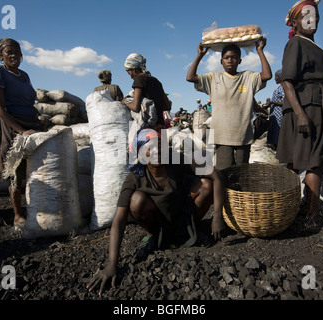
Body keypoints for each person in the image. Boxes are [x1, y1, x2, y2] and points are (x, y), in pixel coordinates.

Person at [87, 128, 225, 295]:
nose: (156, 151)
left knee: (206, 185)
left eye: (159, 145)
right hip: (159, 225)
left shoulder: (177, 162)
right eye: (149, 147)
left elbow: (215, 175)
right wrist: (111, 264)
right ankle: (159, 238)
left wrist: (217, 215)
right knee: (136, 200)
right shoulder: (135, 177)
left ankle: (189, 232)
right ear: (140, 152)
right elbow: (118, 221)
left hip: (184, 217)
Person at [276, 0, 323, 233]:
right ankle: (308, 215)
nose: (311, 20)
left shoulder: (312, 46)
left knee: (310, 161)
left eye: (314, 15)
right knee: (308, 161)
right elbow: (287, 81)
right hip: (305, 106)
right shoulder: (295, 44)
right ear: (295, 22)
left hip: (316, 104)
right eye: (305, 16)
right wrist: (301, 114)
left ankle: (303, 211)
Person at [186, 40, 272, 170]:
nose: (230, 60)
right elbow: (190, 77)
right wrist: (200, 55)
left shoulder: (248, 77)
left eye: (234, 57)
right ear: (221, 61)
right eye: (226, 58)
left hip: (243, 135)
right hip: (222, 136)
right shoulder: (213, 78)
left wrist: (260, 51)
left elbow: (267, 75)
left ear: (240, 61)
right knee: (224, 172)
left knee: (242, 173)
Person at [0, 38, 42, 229]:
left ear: (22, 55)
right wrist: (21, 131)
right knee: (15, 171)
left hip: (31, 122)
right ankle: (18, 214)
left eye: (16, 52)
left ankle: (35, 207)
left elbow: (29, 100)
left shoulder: (24, 75)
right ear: (1, 55)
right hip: (12, 125)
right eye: (8, 52)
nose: (13, 55)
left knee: (35, 167)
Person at [122, 53, 172, 131]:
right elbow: (168, 106)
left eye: (129, 73)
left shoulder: (139, 79)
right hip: (162, 128)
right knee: (164, 144)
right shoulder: (156, 81)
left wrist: (125, 102)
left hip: (149, 129)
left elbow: (136, 107)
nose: (130, 76)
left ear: (135, 69)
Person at [264, 69, 285, 150]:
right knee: (273, 139)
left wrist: (272, 102)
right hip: (275, 117)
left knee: (279, 138)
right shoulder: (279, 88)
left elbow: (286, 102)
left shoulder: (285, 88)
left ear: (280, 77)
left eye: (276, 76)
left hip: (280, 117)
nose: (275, 78)